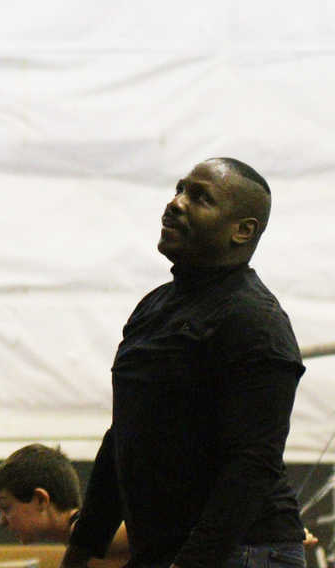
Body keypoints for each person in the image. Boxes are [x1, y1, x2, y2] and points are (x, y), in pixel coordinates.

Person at [62, 157, 307, 568]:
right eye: (178, 189)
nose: (175, 203)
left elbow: (252, 463)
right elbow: (125, 434)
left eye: (200, 197)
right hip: (170, 550)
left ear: (242, 230)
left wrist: (191, 563)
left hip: (244, 552)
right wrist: (82, 547)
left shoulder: (254, 321)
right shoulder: (153, 307)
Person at [0, 443, 128, 564]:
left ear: (41, 500)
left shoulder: (90, 533)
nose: (1, 521)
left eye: (6, 507)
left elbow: (145, 531)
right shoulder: (79, 541)